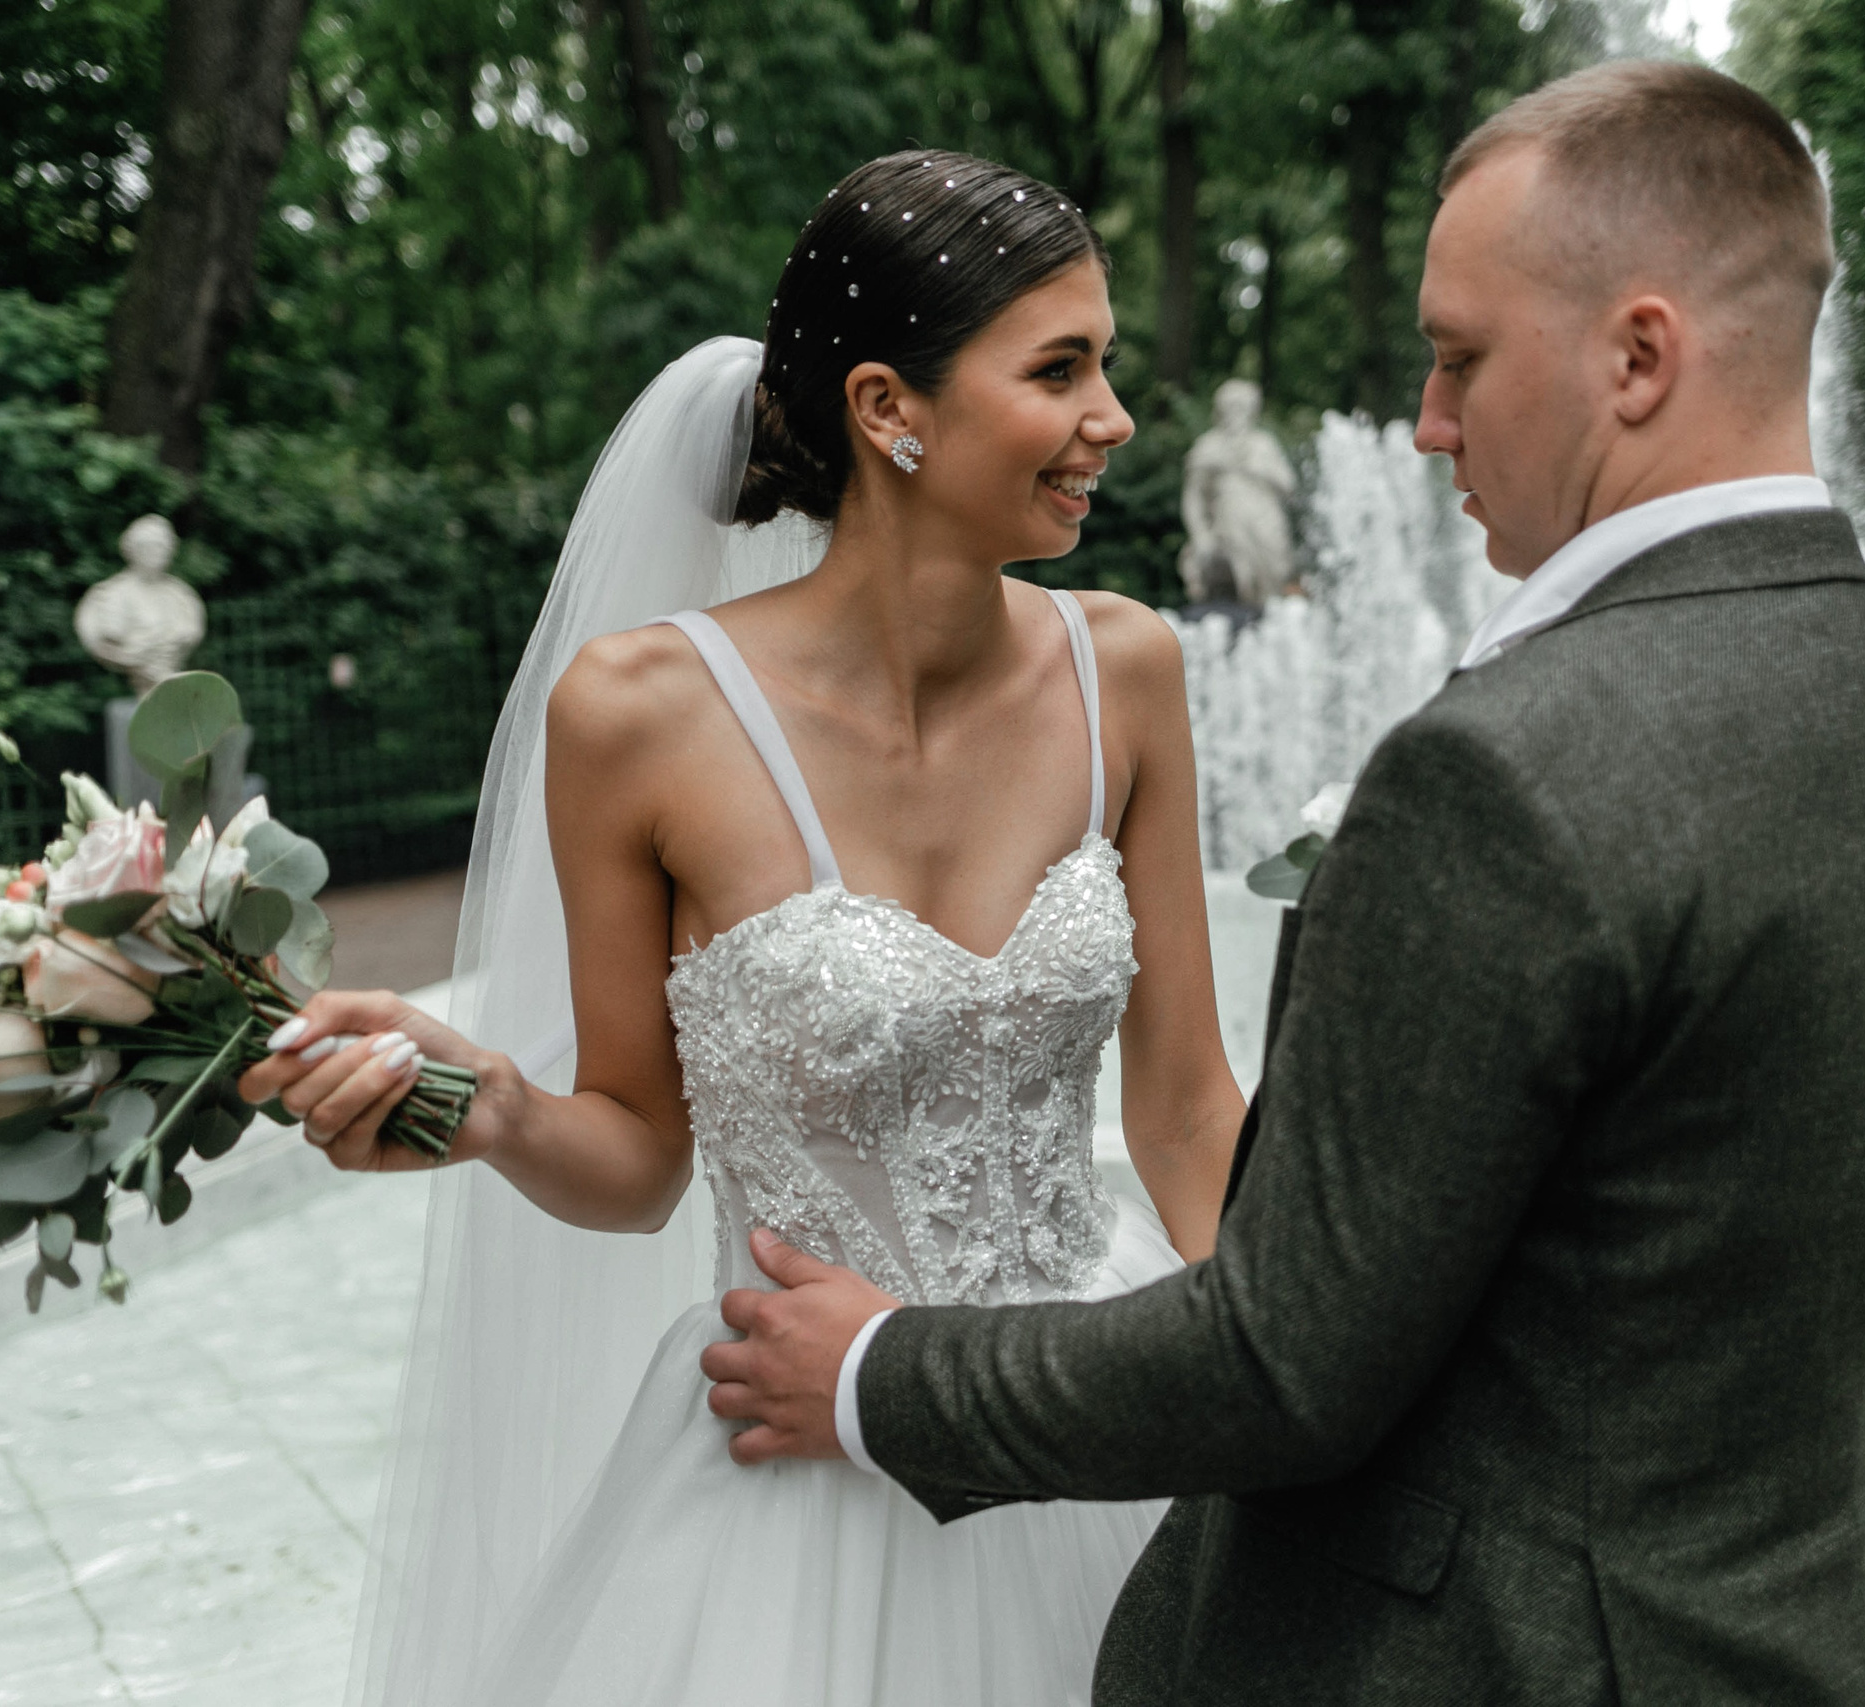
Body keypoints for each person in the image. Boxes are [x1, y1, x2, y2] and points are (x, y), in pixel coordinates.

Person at [706, 62, 1865, 1706]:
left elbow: (1283, 1364)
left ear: (1638, 358)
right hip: (1862, 1637)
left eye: (1463, 356)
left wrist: (875, 1376)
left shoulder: (1507, 770)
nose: (1427, 419)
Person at [237, 149, 1245, 1707]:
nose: (1114, 417)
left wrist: (1293, 1375)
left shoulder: (1131, 672)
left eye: (1104, 364)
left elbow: (1183, 1113)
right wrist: (494, 1104)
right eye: (1062, 369)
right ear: (887, 409)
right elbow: (642, 1157)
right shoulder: (640, 715)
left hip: (1085, 1413)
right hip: (794, 1477)